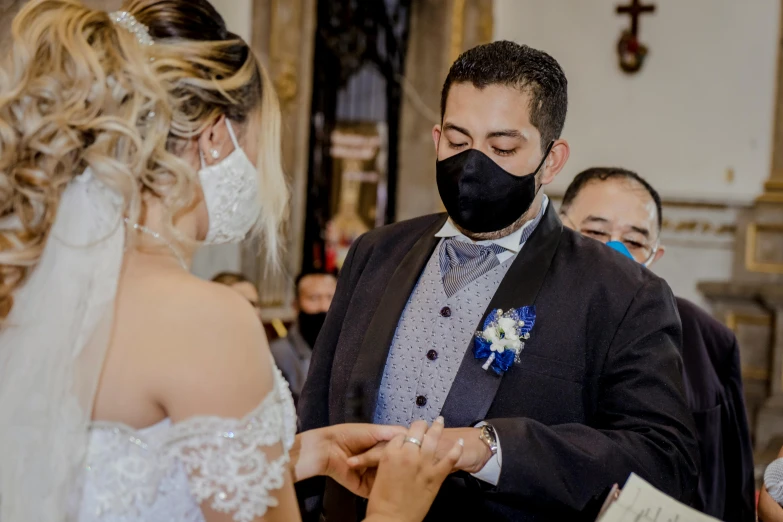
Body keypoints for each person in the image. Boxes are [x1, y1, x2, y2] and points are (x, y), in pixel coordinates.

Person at [0, 1, 463, 521]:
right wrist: (395, 509)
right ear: (216, 135)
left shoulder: (24, 285)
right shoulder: (205, 320)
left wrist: (298, 454)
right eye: (259, 141)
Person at [298, 40, 699, 521]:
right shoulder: (375, 252)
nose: (473, 165)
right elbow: (318, 409)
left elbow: (662, 456)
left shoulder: (621, 291)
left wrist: (491, 446)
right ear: (436, 136)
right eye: (458, 141)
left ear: (551, 160)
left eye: (502, 147)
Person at [559, 167, 756, 522]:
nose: (614, 253)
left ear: (655, 257)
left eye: (634, 242)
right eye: (595, 232)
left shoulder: (707, 338)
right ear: (560, 233)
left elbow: (732, 481)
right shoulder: (523, 320)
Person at [270, 270, 337, 403]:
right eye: (313, 298)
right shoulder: (278, 353)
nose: (324, 307)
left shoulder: (351, 348)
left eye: (331, 297)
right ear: (295, 305)